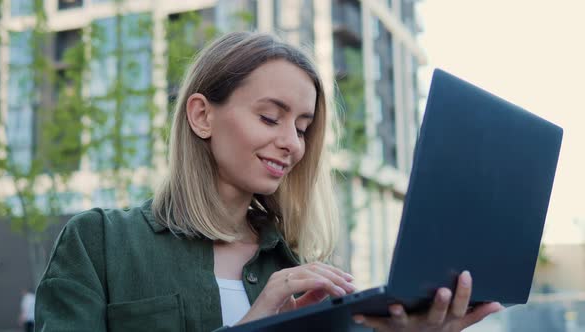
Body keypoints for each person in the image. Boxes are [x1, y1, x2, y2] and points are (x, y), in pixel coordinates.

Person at [35, 31, 502, 331]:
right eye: (269, 117)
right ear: (201, 115)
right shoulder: (99, 243)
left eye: (301, 128)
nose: (293, 144)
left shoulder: (300, 268)